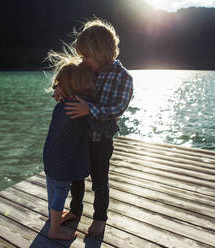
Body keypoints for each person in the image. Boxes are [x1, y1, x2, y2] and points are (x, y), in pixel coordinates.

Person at [54, 18, 134, 237]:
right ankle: (75, 210)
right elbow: (67, 82)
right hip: (78, 137)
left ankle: (100, 219)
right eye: (82, 56)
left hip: (101, 140)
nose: (83, 60)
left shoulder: (123, 77)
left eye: (87, 56)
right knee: (76, 177)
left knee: (100, 181)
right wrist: (60, 89)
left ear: (102, 53)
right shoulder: (84, 69)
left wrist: (89, 109)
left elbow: (117, 108)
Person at [43, 62, 95, 240]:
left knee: (52, 188)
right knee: (60, 191)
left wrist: (57, 88)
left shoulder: (61, 101)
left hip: (49, 154)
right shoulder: (79, 107)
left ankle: (53, 218)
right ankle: (55, 230)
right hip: (63, 160)